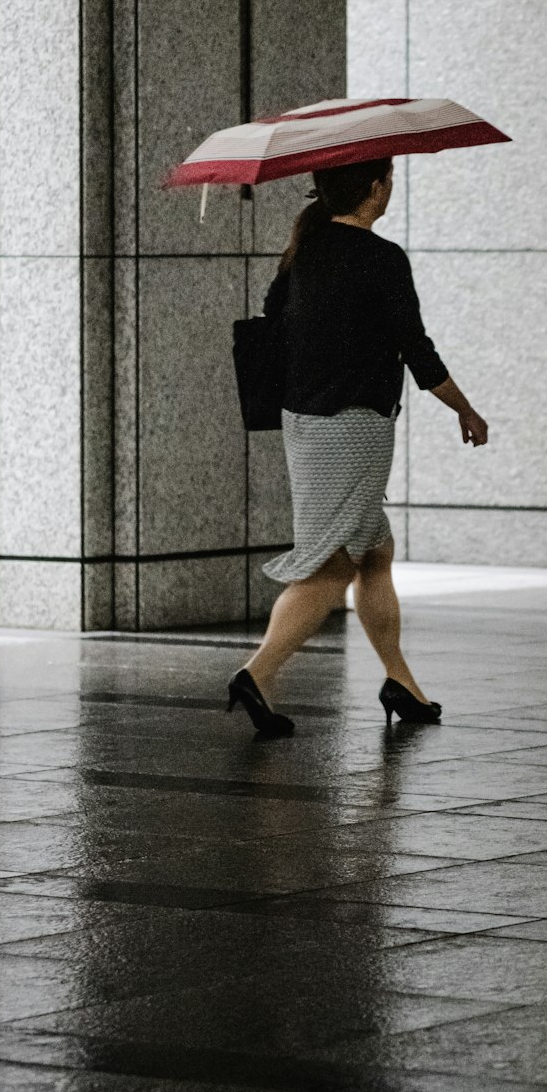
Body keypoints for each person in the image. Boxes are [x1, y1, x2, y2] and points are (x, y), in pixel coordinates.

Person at [227, 155, 488, 740]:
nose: (390, 186)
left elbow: (278, 320)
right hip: (355, 426)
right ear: (374, 188)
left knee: (373, 550)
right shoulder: (380, 258)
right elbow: (415, 348)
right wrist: (465, 409)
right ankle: (257, 672)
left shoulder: (306, 251)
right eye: (389, 178)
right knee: (334, 561)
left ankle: (401, 681)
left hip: (307, 420)